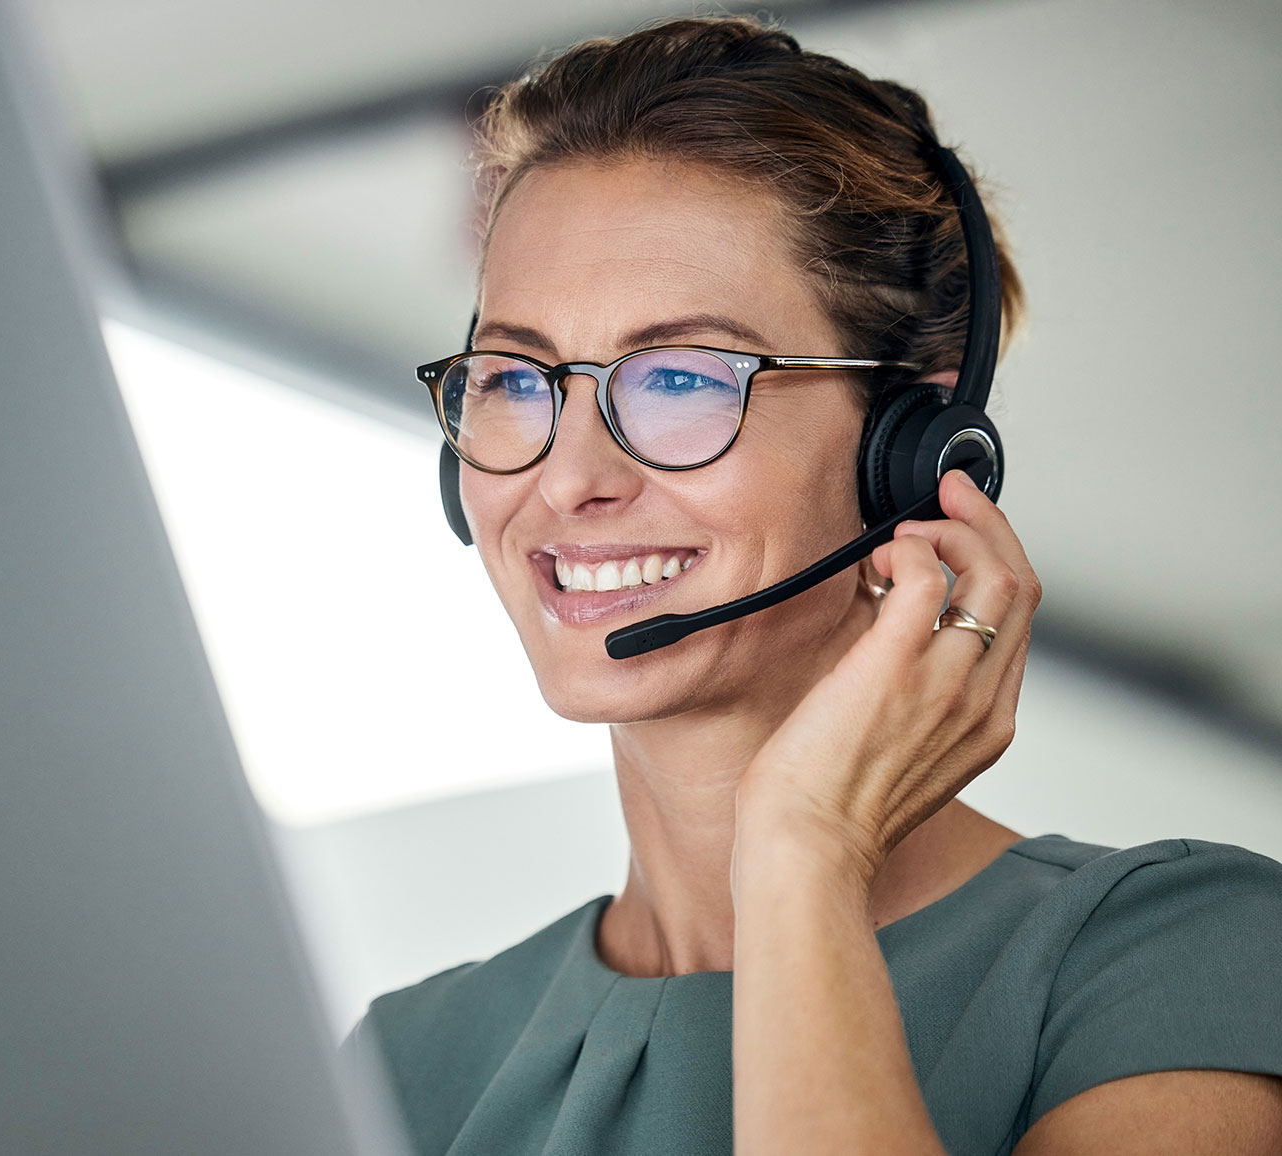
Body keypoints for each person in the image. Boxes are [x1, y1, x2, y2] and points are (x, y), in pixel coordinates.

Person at [344, 16, 1282, 1155]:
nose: (567, 478)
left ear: (912, 445)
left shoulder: (1170, 955)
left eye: (682, 376)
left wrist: (802, 853)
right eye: (513, 376)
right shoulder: (398, 1065)